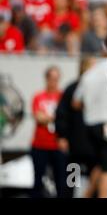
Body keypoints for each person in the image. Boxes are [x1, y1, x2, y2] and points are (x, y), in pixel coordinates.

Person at [72, 54, 107, 198]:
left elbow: (76, 103)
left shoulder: (89, 74)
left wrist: (91, 106)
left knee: (101, 164)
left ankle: (87, 195)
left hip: (91, 125)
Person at [55, 56, 96, 197]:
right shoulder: (72, 89)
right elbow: (61, 114)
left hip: (94, 146)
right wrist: (62, 136)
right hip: (75, 146)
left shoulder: (99, 90)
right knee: (72, 181)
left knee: (94, 181)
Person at [30, 66, 66, 198]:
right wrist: (57, 117)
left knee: (61, 182)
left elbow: (66, 118)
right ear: (47, 79)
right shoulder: (38, 96)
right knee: (37, 181)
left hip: (58, 146)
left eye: (56, 79)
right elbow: (38, 117)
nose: (54, 82)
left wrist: (48, 117)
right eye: (51, 78)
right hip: (40, 145)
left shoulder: (62, 97)